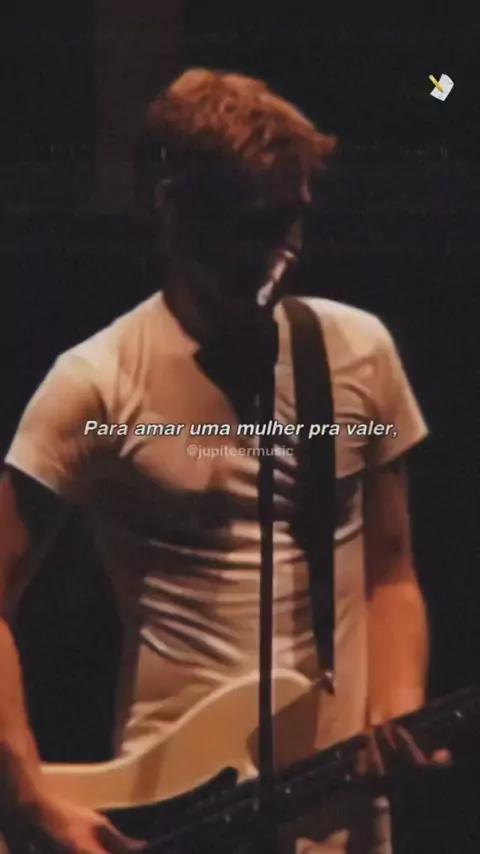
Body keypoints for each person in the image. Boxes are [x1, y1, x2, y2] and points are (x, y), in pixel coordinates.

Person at [0, 68, 439, 854]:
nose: (285, 254)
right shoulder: (97, 385)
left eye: (294, 221)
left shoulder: (359, 353)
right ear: (174, 210)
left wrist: (397, 703)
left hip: (339, 816)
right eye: (257, 225)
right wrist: (29, 795)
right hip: (167, 818)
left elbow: (390, 573)